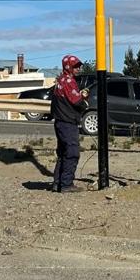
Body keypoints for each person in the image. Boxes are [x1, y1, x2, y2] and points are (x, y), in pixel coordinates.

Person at [50, 54, 90, 192]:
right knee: (72, 152)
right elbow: (76, 101)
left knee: (63, 153)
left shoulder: (60, 80)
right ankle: (66, 184)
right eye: (75, 66)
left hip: (61, 122)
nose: (78, 69)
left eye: (79, 66)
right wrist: (84, 99)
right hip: (67, 122)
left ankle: (57, 183)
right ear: (68, 67)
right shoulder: (68, 81)